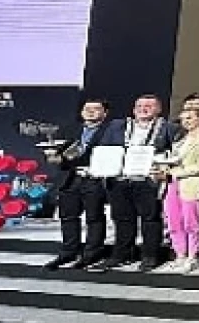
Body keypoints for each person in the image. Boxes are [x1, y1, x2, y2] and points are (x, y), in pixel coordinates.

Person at [96, 95, 177, 273]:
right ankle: (122, 254)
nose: (143, 109)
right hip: (120, 179)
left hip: (148, 180)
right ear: (133, 110)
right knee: (122, 219)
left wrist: (165, 169)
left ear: (158, 109)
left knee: (150, 219)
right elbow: (105, 148)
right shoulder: (117, 126)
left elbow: (176, 152)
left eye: (149, 106)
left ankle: (150, 256)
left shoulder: (168, 128)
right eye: (139, 106)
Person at [43, 98, 119, 271]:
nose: (90, 112)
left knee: (94, 217)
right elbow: (58, 152)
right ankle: (69, 251)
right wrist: (55, 157)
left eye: (96, 109)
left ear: (105, 113)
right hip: (70, 178)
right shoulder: (71, 129)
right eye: (87, 109)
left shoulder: (112, 131)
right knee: (68, 217)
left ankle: (92, 252)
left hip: (94, 178)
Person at [162, 108, 199, 272]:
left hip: (192, 183)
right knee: (174, 220)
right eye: (183, 119)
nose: (186, 121)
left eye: (190, 118)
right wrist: (164, 169)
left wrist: (178, 171)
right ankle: (180, 254)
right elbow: (172, 160)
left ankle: (194, 255)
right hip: (173, 183)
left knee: (192, 221)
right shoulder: (180, 139)